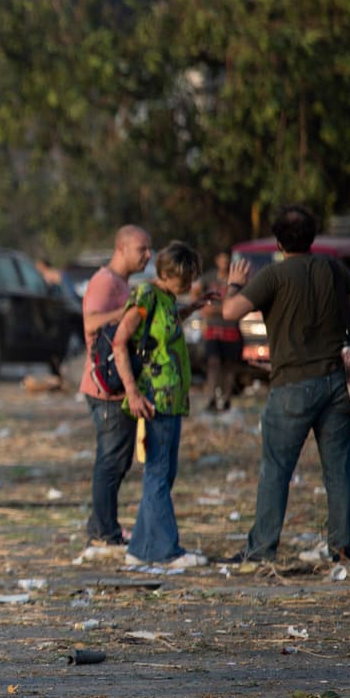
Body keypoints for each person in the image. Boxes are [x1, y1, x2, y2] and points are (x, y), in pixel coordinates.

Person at [217, 205, 350, 564]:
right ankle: (343, 546)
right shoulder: (335, 269)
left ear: (279, 241)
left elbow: (230, 312)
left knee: (277, 470)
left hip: (292, 384)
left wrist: (234, 284)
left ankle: (262, 548)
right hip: (337, 383)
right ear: (312, 238)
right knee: (338, 468)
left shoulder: (274, 276)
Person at [113, 241, 211, 569]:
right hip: (154, 397)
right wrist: (133, 392)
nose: (187, 286)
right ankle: (168, 551)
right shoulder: (145, 297)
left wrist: (193, 307)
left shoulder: (166, 299)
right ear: (165, 274)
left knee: (165, 474)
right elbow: (121, 341)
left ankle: (141, 548)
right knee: (157, 473)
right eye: (183, 280)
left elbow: (163, 329)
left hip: (172, 399)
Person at [77, 226, 153, 557]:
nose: (147, 256)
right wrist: (129, 313)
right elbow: (91, 322)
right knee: (110, 462)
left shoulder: (121, 283)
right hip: (103, 388)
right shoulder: (105, 281)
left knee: (117, 461)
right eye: (141, 249)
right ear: (120, 248)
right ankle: (104, 532)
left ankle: (100, 525)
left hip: (115, 388)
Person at [194, 251, 242, 411]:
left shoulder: (235, 279)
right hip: (213, 329)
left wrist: (218, 309)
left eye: (227, 260)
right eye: (222, 259)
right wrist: (202, 307)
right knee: (213, 363)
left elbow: (237, 304)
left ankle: (226, 398)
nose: (225, 262)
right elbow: (196, 292)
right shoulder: (209, 277)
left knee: (229, 365)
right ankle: (211, 398)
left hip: (230, 327)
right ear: (217, 260)